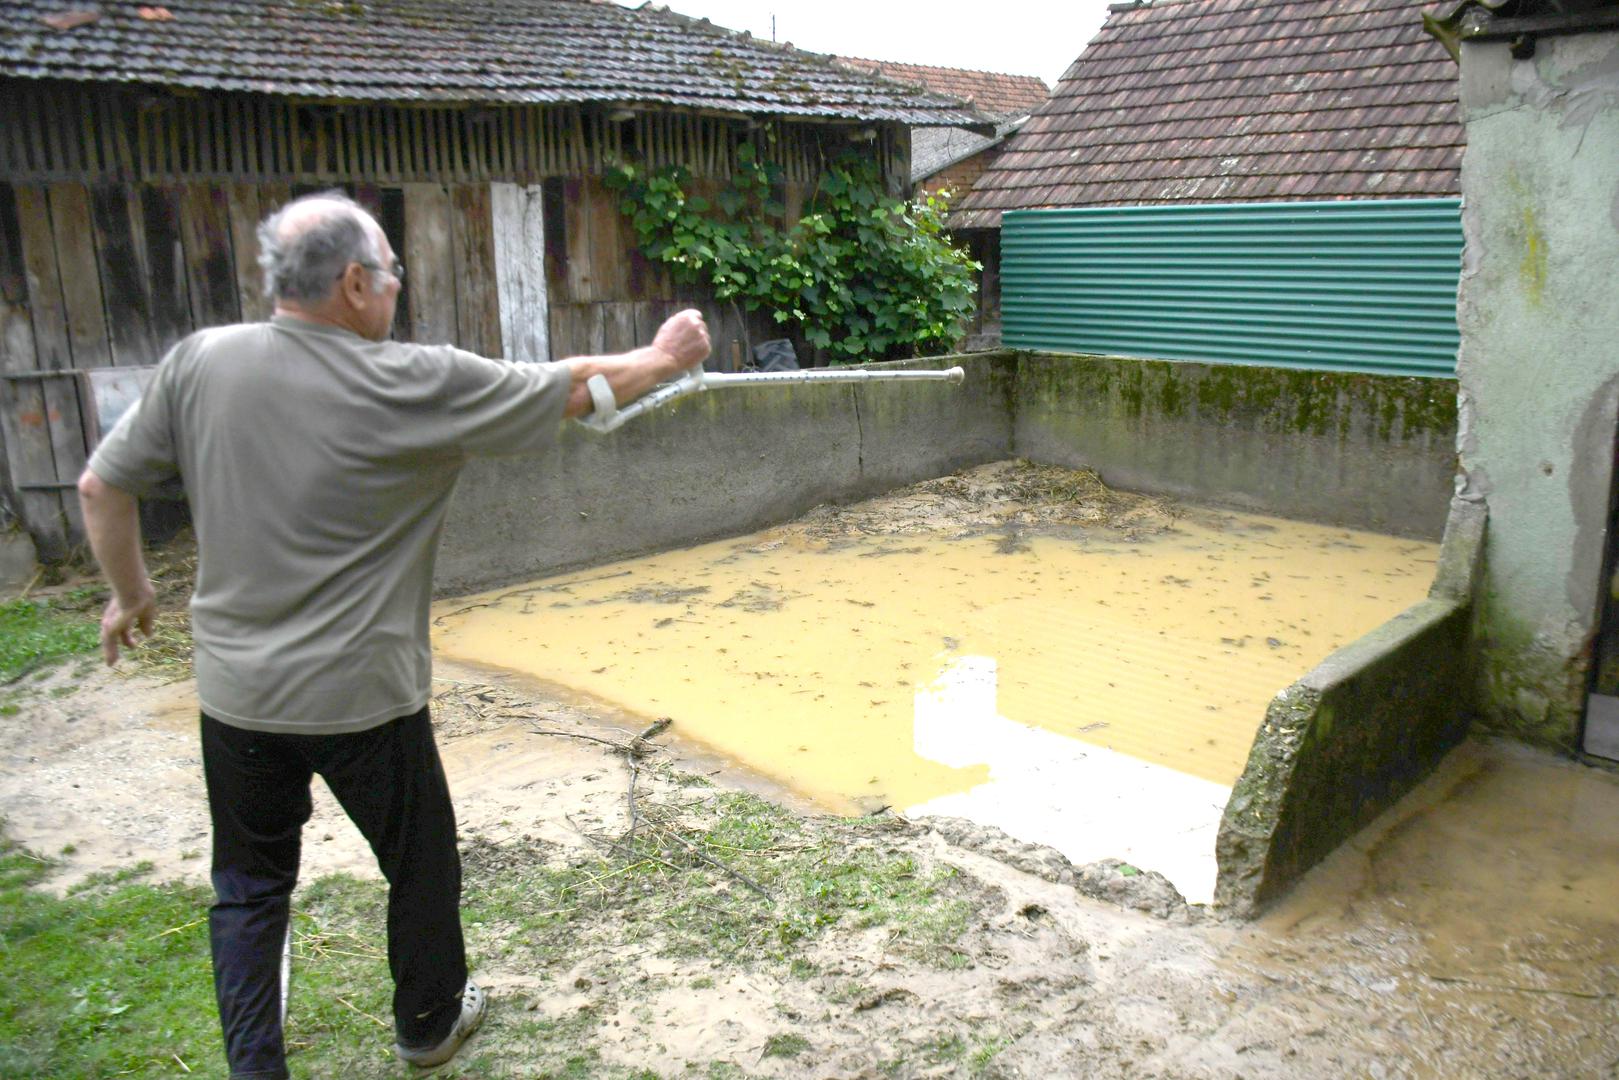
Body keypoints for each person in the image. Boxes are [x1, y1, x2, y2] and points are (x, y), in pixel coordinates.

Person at [77, 191, 710, 1079]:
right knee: (419, 865)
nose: (399, 289)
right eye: (392, 273)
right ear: (352, 284)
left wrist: (129, 593)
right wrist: (664, 353)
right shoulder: (412, 379)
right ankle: (428, 1027)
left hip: (238, 697)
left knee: (250, 892)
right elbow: (572, 387)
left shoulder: (200, 361)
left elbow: (102, 489)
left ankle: (255, 1068)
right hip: (364, 698)